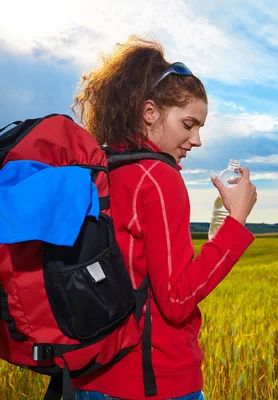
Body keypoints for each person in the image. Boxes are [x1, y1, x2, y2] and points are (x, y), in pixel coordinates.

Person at [70, 35, 257, 400]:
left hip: (90, 378)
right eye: (189, 124)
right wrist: (236, 222)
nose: (197, 139)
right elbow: (175, 301)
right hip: (153, 383)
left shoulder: (104, 169)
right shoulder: (159, 179)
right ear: (150, 112)